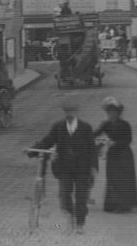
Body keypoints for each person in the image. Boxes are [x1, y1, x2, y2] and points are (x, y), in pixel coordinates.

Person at [28, 100, 98, 234]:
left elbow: (92, 149)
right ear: (64, 112)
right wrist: (33, 150)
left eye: (72, 111)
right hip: (64, 167)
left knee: (81, 196)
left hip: (82, 168)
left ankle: (80, 223)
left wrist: (93, 167)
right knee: (65, 194)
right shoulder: (58, 127)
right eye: (67, 111)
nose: (70, 114)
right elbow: (47, 141)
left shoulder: (85, 128)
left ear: (77, 112)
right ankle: (70, 217)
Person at [95, 97, 137, 213]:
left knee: (123, 179)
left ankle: (124, 205)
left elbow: (128, 140)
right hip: (113, 156)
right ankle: (112, 204)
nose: (110, 114)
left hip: (124, 155)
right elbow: (94, 134)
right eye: (108, 112)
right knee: (112, 178)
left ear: (118, 113)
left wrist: (115, 143)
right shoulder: (106, 124)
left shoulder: (125, 125)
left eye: (113, 112)